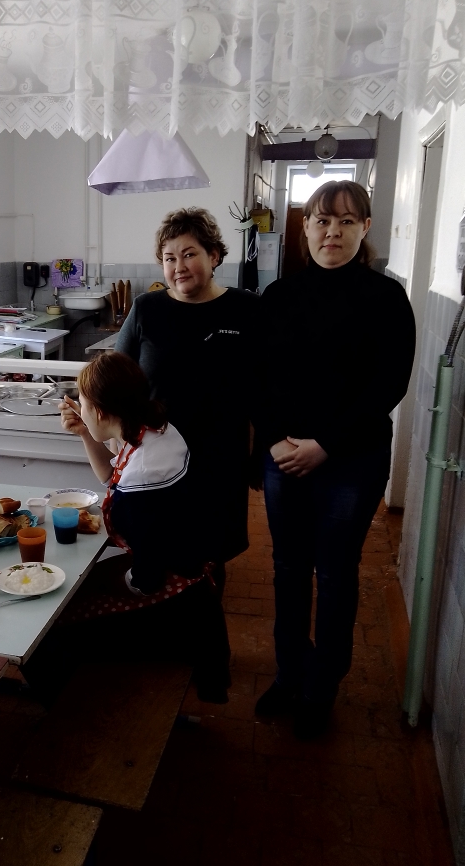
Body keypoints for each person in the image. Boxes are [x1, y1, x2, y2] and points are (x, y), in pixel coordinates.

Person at [255, 181, 416, 739]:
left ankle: (321, 688)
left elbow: (389, 383)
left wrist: (325, 443)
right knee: (288, 569)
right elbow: (258, 379)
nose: (333, 232)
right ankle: (288, 675)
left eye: (347, 221)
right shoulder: (280, 296)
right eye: (322, 220)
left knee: (335, 572)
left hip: (352, 459)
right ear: (305, 227)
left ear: (365, 228)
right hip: (284, 456)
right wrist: (272, 441)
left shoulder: (386, 298)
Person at [114, 207, 261, 699]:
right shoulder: (147, 310)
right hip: (157, 466)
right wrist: (106, 432)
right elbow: (117, 379)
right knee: (160, 556)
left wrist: (260, 453)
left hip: (219, 461)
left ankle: (210, 667)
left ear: (215, 256)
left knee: (210, 562)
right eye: (169, 257)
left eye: (190, 254)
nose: (179, 266)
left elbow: (265, 389)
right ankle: (175, 659)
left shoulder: (245, 310)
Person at [22, 352, 225, 705]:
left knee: (51, 627)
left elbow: (147, 579)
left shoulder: (144, 479)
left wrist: (117, 584)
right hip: (183, 570)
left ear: (102, 411)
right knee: (78, 588)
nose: (81, 409)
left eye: (84, 404)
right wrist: (86, 432)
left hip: (172, 598)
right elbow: (111, 475)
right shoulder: (155, 431)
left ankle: (72, 709)